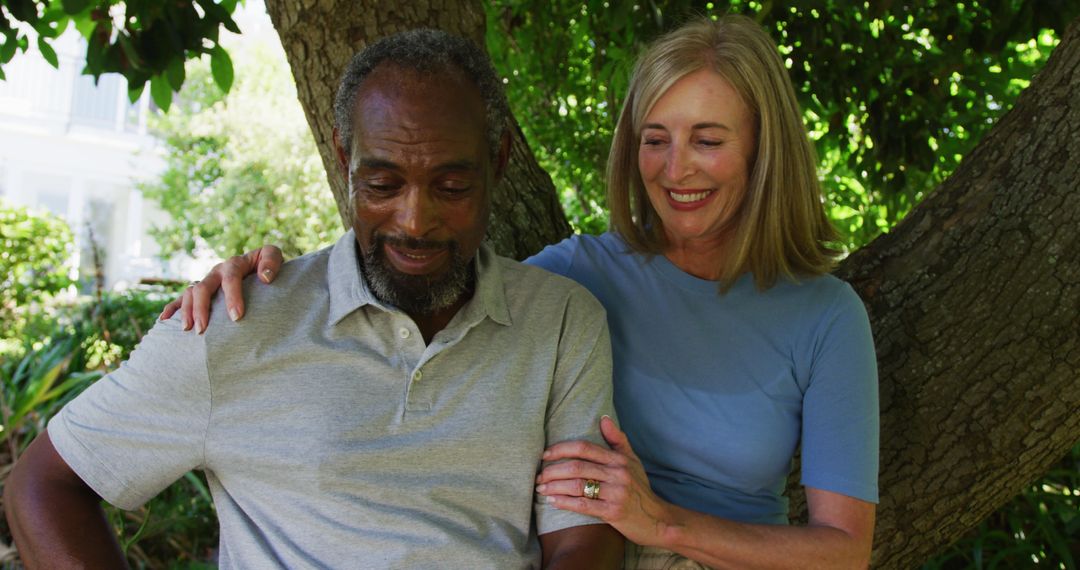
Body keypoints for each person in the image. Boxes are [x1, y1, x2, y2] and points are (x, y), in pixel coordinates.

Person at [162, 15, 879, 569]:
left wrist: (659, 521)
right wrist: (266, 287)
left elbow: (843, 551)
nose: (674, 168)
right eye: (655, 138)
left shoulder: (822, 317)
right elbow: (412, 272)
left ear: (762, 149)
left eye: (708, 139)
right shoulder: (573, 279)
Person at [4, 29, 625, 569]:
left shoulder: (562, 321)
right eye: (383, 183)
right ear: (343, 156)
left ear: (499, 161)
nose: (415, 219)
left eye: (453, 184)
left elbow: (581, 537)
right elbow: (45, 484)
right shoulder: (237, 324)